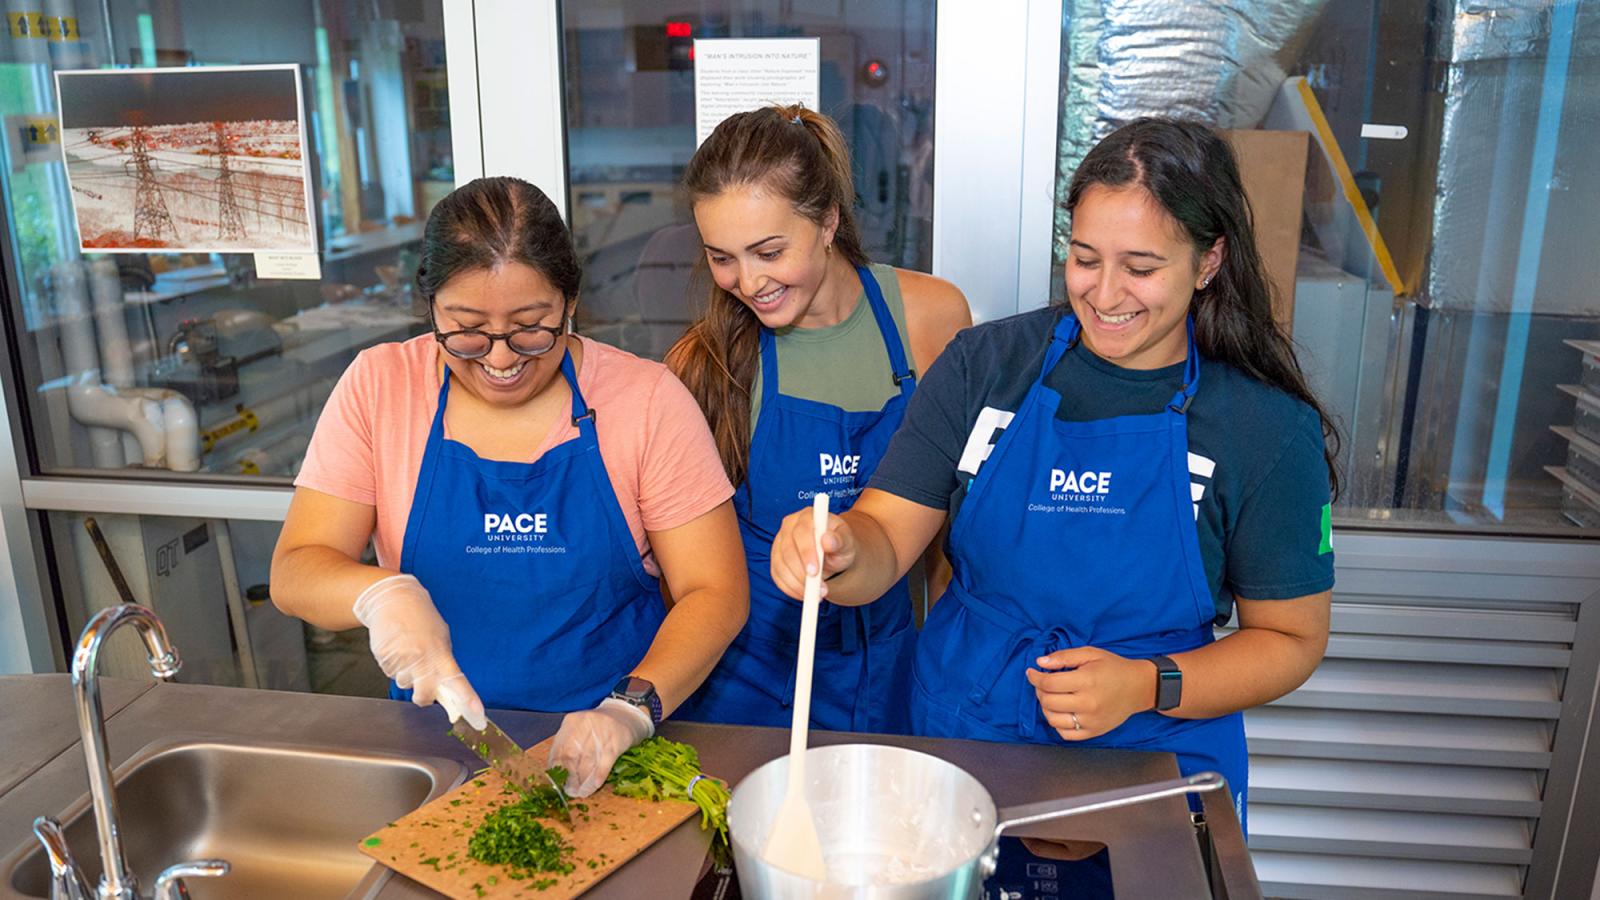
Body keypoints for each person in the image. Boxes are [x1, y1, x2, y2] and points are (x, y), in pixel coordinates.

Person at [768, 118, 1336, 827]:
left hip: (1155, 753)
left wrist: (1146, 684)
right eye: (1085, 258)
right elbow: (884, 535)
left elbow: (1292, 640)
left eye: (1141, 267)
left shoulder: (1262, 424)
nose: (1104, 293)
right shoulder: (985, 367)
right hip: (967, 732)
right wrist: (840, 548)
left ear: (1209, 260)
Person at [271, 177, 747, 796]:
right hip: (432, 752)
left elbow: (717, 592)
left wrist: (628, 710)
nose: (500, 358)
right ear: (431, 305)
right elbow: (297, 569)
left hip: (617, 755)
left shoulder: (646, 401)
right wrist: (378, 594)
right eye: (466, 328)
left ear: (571, 303)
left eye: (531, 326)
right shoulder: (380, 387)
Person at [665, 105, 970, 734]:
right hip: (744, 678)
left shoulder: (930, 317)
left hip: (888, 665)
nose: (748, 282)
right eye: (722, 258)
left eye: (769, 251)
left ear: (828, 221)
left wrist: (949, 670)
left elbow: (950, 531)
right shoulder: (707, 363)